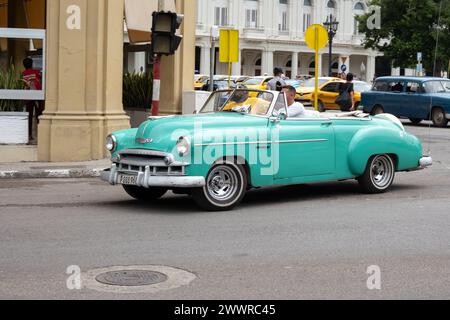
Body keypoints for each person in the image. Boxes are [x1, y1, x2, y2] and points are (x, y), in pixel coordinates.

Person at [22, 57, 44, 142]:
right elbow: (41, 79)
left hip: (28, 97)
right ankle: (41, 134)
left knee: (29, 115)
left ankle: (29, 135)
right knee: (39, 115)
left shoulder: (23, 74)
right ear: (32, 64)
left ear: (24, 65)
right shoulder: (36, 72)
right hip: (37, 96)